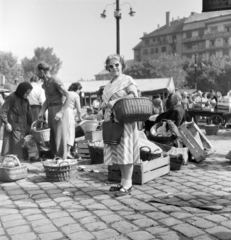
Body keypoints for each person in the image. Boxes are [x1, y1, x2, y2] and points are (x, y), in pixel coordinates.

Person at [101, 54, 139, 197]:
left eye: (117, 64)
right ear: (108, 68)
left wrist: (115, 102)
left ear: (122, 65)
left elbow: (133, 96)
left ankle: (128, 184)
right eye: (111, 66)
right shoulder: (108, 85)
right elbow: (107, 102)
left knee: (126, 151)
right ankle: (123, 182)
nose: (114, 68)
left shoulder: (127, 80)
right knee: (119, 152)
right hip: (113, 121)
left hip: (126, 120)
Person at [36, 62, 70, 160]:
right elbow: (48, 99)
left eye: (37, 72)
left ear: (42, 71)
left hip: (59, 110)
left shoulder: (55, 81)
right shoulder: (45, 83)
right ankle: (56, 160)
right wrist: (41, 112)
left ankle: (62, 161)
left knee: (60, 137)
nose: (37, 74)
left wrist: (61, 112)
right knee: (53, 137)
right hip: (51, 110)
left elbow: (68, 96)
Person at [0, 82, 33, 160]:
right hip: (12, 127)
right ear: (21, 91)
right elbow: (3, 111)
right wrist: (6, 123)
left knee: (22, 147)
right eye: (26, 93)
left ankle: (19, 164)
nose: (27, 95)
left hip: (23, 128)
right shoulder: (11, 97)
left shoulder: (26, 100)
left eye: (29, 93)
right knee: (13, 148)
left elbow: (29, 114)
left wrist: (32, 126)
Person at [67, 82, 82, 158]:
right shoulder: (76, 95)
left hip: (61, 112)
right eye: (80, 90)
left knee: (64, 132)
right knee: (70, 132)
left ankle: (63, 151)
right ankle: (67, 152)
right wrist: (80, 118)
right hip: (69, 113)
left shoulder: (65, 93)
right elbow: (79, 109)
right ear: (78, 89)